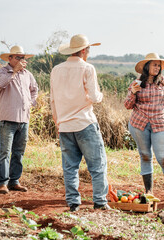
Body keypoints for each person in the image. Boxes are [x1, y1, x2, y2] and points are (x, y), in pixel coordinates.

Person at [50, 34, 110, 212]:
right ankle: (99, 201)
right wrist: (101, 96)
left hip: (65, 125)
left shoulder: (56, 70)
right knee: (97, 165)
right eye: (88, 50)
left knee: (70, 167)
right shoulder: (87, 68)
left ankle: (73, 203)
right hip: (85, 123)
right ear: (83, 50)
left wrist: (57, 122)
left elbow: (53, 100)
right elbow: (93, 97)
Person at [124, 53, 164, 203]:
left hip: (161, 124)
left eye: (159, 65)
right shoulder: (137, 83)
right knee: (145, 156)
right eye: (154, 65)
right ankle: (149, 191)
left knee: (163, 158)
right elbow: (127, 105)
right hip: (140, 124)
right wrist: (133, 92)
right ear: (147, 67)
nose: (157, 68)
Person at [0, 45, 38, 194]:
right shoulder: (2, 72)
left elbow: (34, 89)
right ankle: (2, 183)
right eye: (18, 57)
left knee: (19, 152)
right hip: (8, 118)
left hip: (24, 119)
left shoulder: (28, 74)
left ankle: (14, 181)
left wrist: (31, 102)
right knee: (5, 152)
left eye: (23, 58)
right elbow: (1, 84)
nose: (21, 60)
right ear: (10, 58)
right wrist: (14, 71)